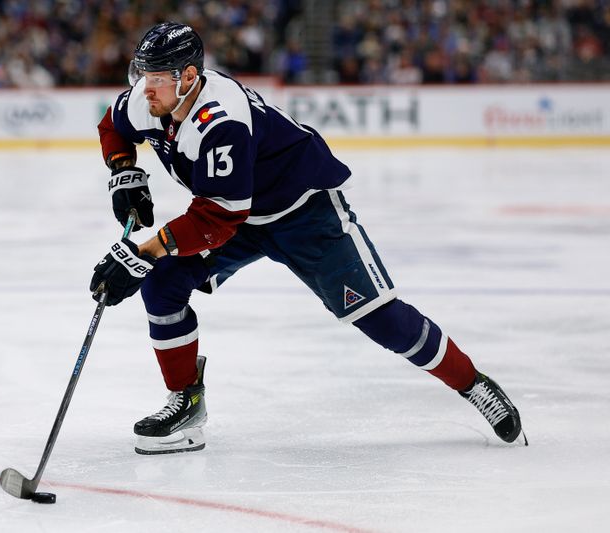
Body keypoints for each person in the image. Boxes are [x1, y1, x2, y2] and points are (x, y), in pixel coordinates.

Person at [91, 22, 527, 455]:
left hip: (304, 213)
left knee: (381, 319)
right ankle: (186, 400)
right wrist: (122, 169)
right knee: (164, 282)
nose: (145, 90)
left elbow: (218, 217)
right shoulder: (149, 100)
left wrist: (143, 250)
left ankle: (472, 384)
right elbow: (111, 125)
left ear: (189, 77)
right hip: (238, 215)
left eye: (157, 78)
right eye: (142, 76)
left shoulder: (220, 120)